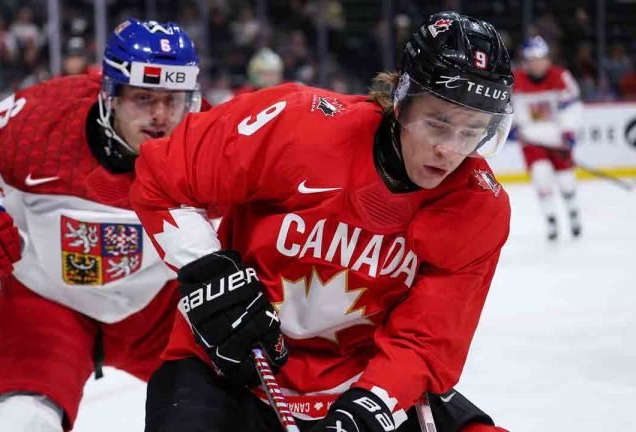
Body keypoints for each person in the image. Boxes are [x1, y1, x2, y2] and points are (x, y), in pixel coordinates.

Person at [130, 11, 511, 432]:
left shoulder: (477, 205)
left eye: (473, 130)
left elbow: (426, 339)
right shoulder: (297, 124)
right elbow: (165, 177)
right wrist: (209, 274)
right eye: (437, 122)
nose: (449, 150)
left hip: (355, 383)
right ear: (402, 100)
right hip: (228, 365)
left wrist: (371, 405)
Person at [0, 19, 201, 431]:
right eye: (143, 98)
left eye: (173, 100)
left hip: (161, 315)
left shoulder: (213, 139)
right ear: (111, 95)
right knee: (22, 422)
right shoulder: (39, 122)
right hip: (47, 306)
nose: (161, 116)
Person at [512, 35, 583, 240]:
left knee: (566, 180)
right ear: (525, 61)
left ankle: (572, 212)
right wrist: (511, 128)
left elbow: (572, 107)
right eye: (532, 59)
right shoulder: (514, 80)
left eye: (540, 58)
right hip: (531, 140)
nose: (537, 63)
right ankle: (551, 219)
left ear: (548, 59)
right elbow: (505, 109)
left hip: (556, 138)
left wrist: (569, 132)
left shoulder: (561, 77)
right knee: (541, 176)